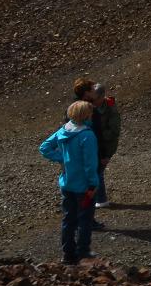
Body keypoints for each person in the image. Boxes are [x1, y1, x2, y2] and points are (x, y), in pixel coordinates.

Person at [39, 100, 99, 265]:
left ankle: (67, 254)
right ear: (86, 116)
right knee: (85, 219)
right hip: (84, 186)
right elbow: (90, 164)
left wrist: (63, 159)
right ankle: (83, 252)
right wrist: (93, 185)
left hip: (67, 183)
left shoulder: (63, 130)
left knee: (68, 219)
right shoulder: (87, 135)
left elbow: (44, 148)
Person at [74, 79, 121, 211]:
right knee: (96, 171)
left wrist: (95, 134)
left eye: (94, 99)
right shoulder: (93, 106)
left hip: (105, 146)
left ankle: (100, 199)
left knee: (97, 172)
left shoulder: (110, 108)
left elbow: (113, 131)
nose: (91, 102)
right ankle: (100, 199)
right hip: (98, 145)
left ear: (101, 97)